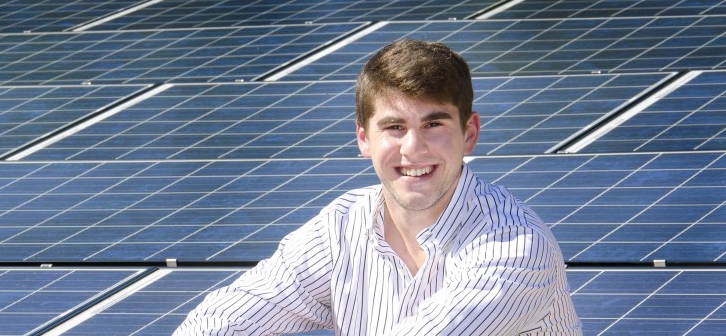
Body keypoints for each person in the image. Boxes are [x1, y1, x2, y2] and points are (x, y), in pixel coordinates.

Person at [174, 39, 581, 335]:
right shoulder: (340, 229)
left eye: (433, 124)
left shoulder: (515, 246)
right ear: (364, 139)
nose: (413, 148)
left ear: (469, 132)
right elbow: (221, 321)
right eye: (394, 127)